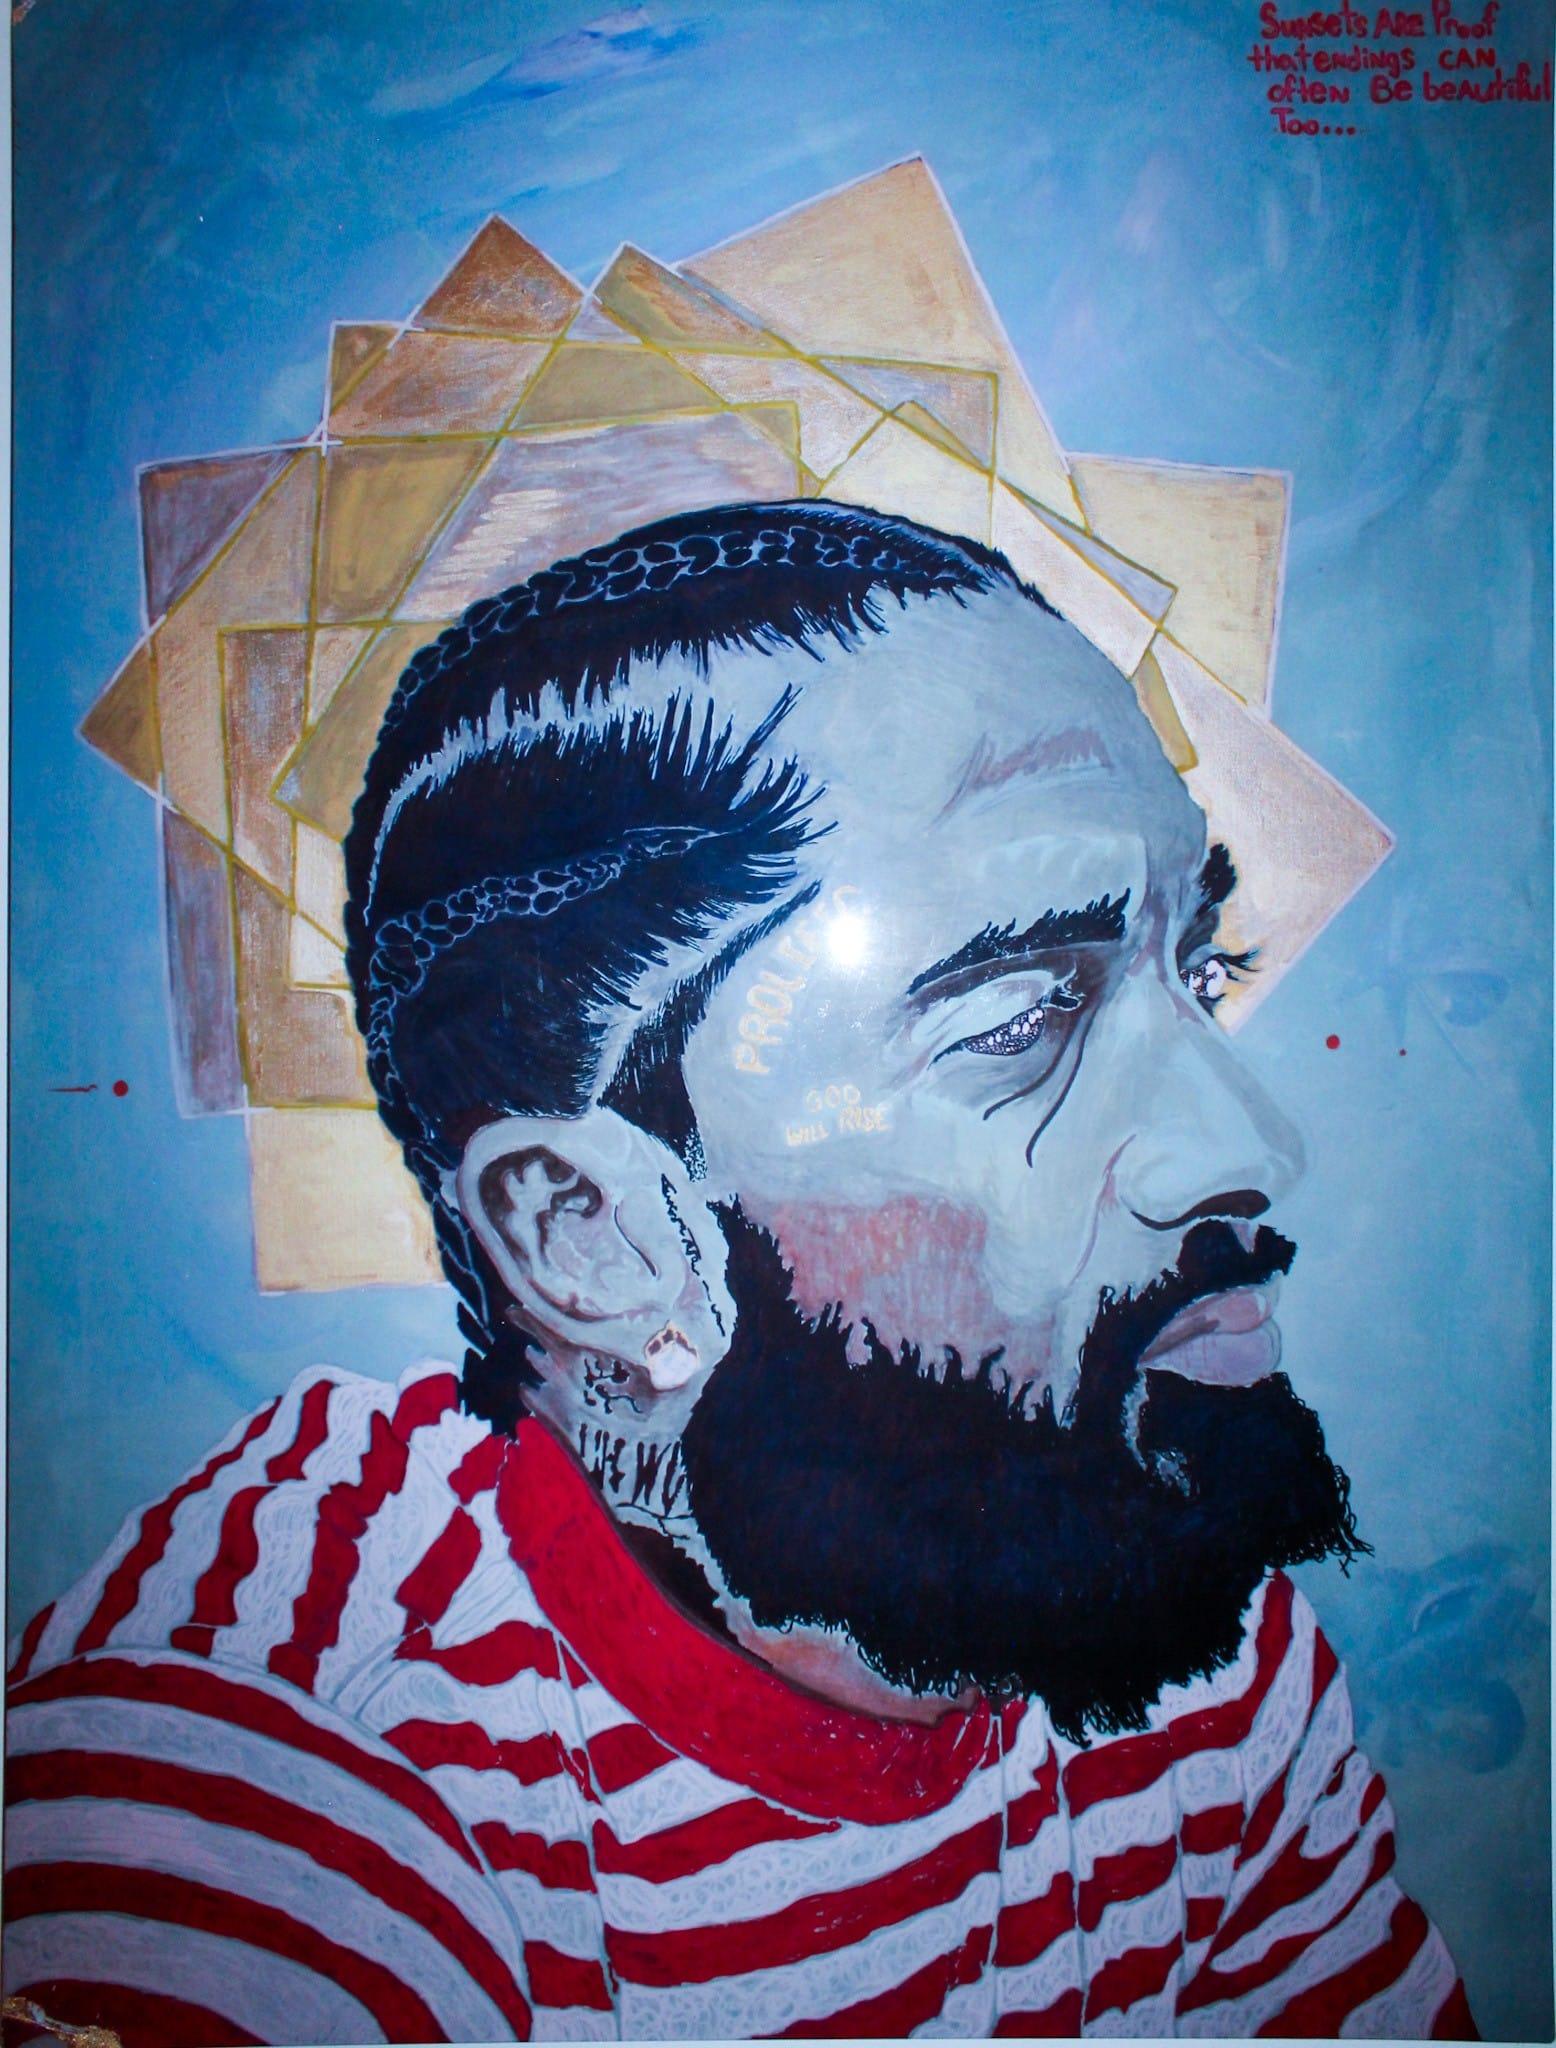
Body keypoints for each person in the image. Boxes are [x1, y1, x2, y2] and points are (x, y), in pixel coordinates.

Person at [4, 503, 1476, 2043]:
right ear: (593, 1233)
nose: (1248, 1146)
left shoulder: (1182, 1625)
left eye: (1201, 973)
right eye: (1022, 1018)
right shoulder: (285, 1745)